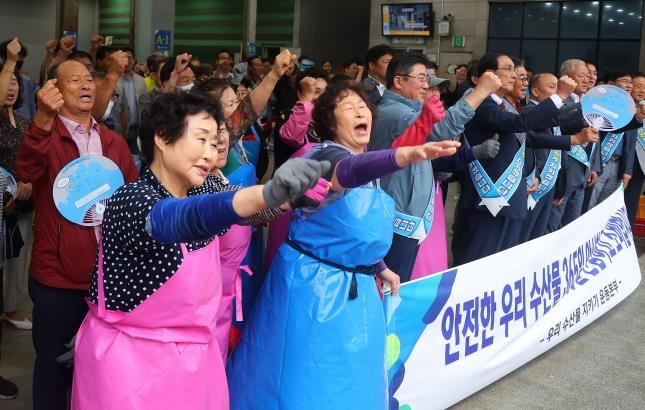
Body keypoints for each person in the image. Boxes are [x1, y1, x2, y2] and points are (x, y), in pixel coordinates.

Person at [71, 90, 328, 409]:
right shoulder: (131, 201)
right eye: (201, 139)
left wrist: (287, 199)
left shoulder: (205, 187)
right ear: (163, 138)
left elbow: (245, 209)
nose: (212, 151)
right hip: (129, 365)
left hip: (194, 361)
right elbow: (182, 217)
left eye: (215, 140)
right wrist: (267, 192)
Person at [227, 81, 461, 410]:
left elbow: (348, 230)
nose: (360, 110)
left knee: (353, 382)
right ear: (331, 123)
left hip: (356, 290)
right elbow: (346, 172)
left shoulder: (364, 157)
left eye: (363, 106)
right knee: (301, 381)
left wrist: (380, 267)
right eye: (348, 107)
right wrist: (405, 155)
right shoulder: (325, 155)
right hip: (311, 290)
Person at [16, 60, 138, 410]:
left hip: (107, 277)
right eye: (74, 80)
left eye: (89, 79)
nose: (85, 85)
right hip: (57, 277)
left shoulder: (113, 142)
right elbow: (25, 170)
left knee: (100, 367)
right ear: (55, 90)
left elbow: (131, 200)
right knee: (53, 367)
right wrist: (41, 117)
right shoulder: (46, 136)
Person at [0, 38, 33, 330]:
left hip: (22, 200)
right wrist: (10, 61)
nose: (12, 88)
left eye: (16, 84)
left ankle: (11, 308)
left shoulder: (24, 123)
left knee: (18, 259)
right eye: (6, 83)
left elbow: (34, 159)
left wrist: (29, 182)